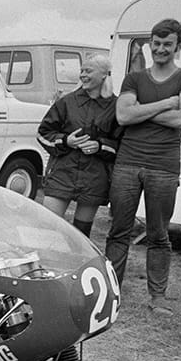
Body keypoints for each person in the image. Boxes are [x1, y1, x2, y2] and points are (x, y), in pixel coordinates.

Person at [105, 18, 181, 316]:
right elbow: (123, 117)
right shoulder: (134, 78)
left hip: (164, 166)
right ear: (150, 44)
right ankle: (110, 293)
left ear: (178, 46)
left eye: (167, 44)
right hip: (127, 163)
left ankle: (157, 297)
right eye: (156, 43)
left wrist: (140, 111)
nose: (160, 49)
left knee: (158, 234)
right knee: (118, 230)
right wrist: (165, 104)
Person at [36, 53, 121, 237]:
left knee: (81, 234)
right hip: (62, 174)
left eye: (88, 71)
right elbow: (43, 133)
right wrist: (66, 141)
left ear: (104, 75)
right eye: (82, 71)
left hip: (94, 179)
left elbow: (121, 145)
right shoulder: (67, 102)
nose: (82, 75)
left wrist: (100, 146)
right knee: (47, 228)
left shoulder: (115, 106)